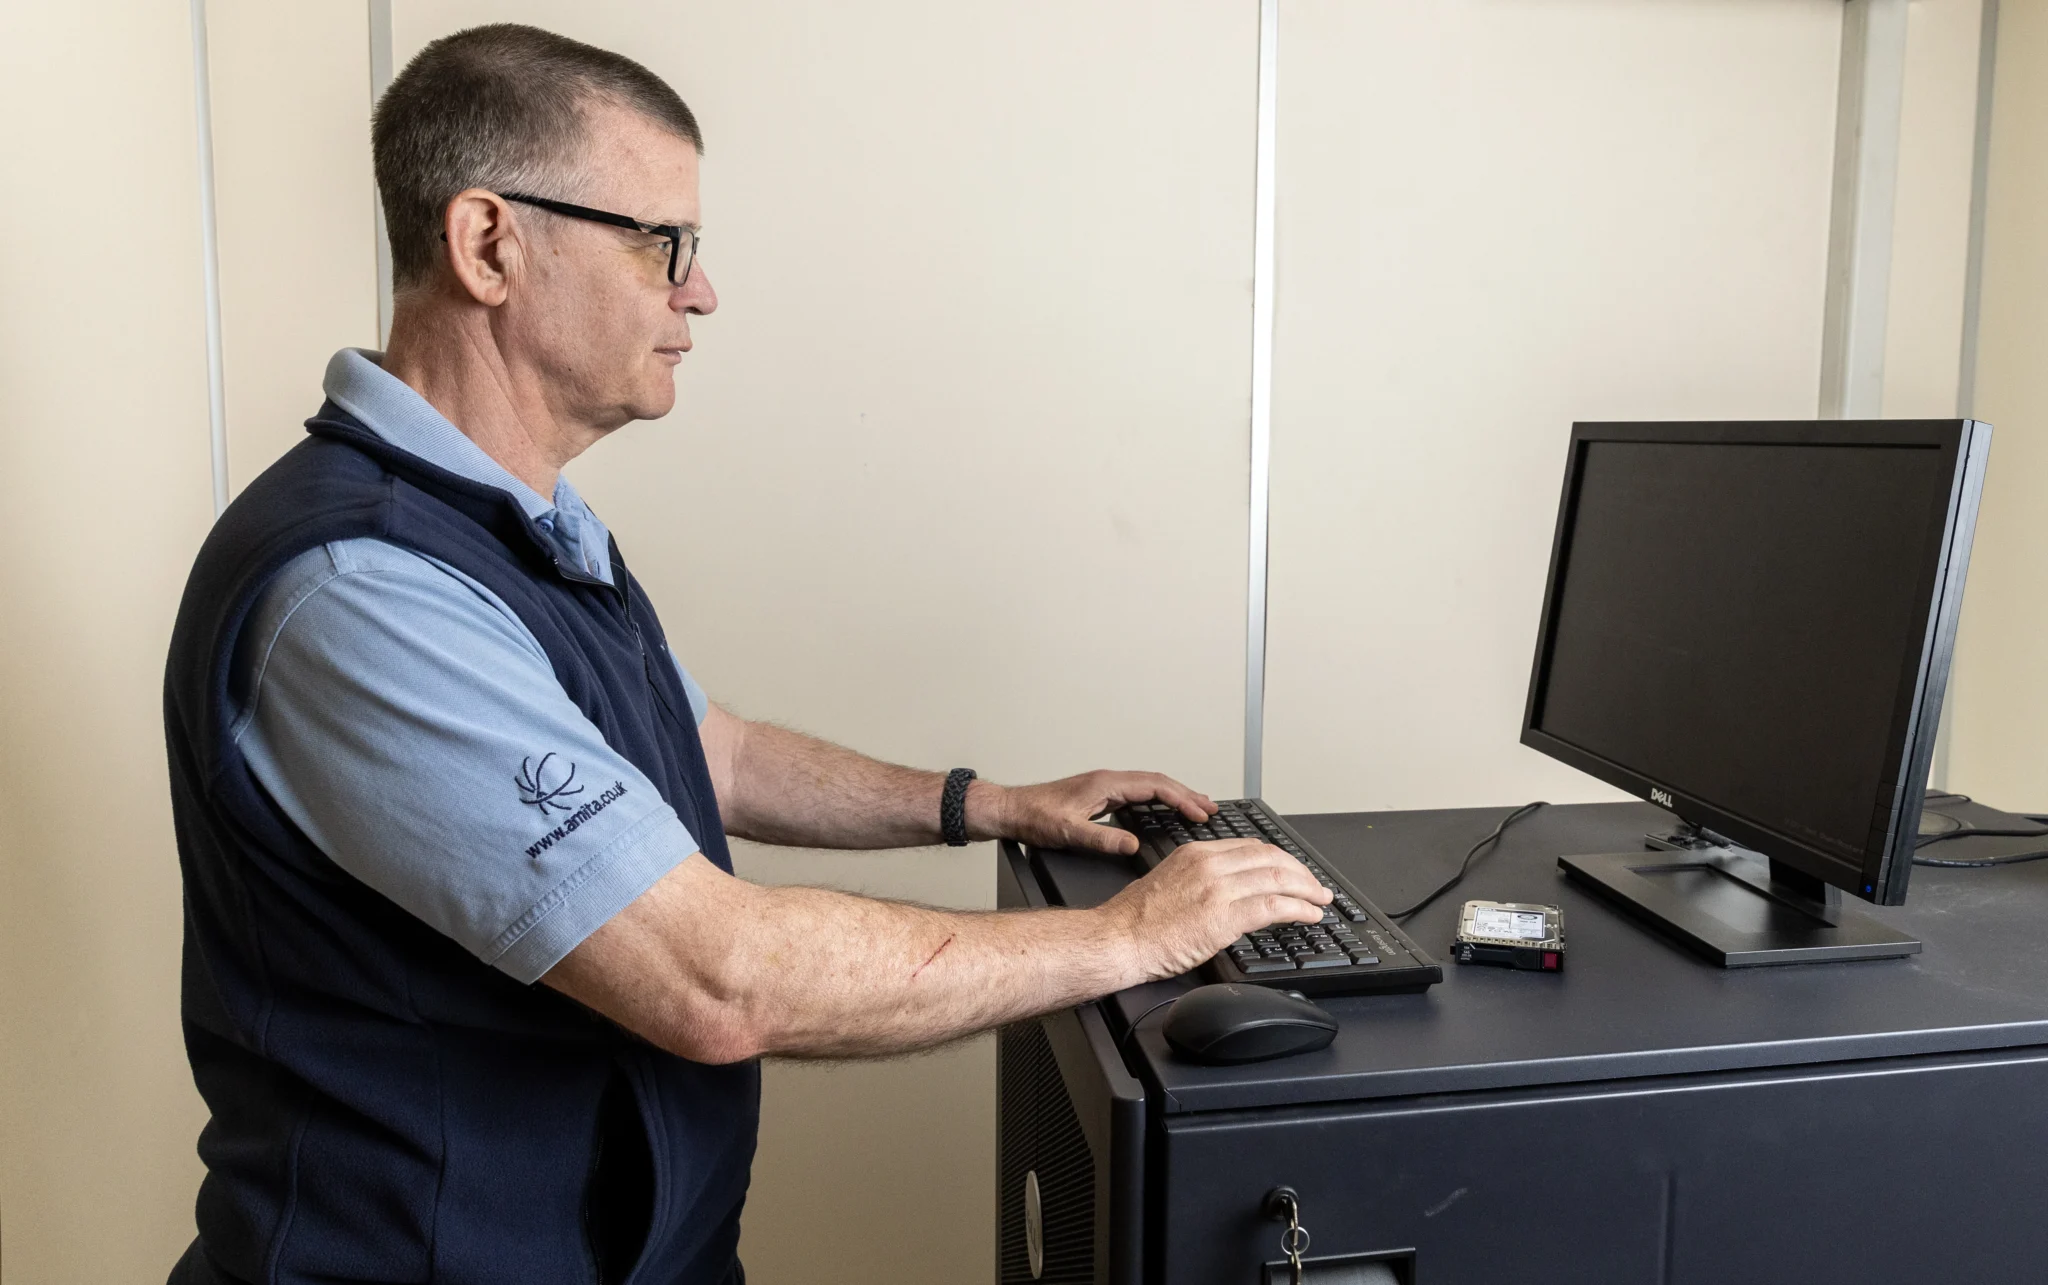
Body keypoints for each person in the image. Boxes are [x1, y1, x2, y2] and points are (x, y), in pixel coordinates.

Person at [162, 23, 1327, 1285]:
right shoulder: (362, 591)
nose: (698, 291)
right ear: (488, 244)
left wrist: (982, 806)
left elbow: (697, 746)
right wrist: (1131, 940)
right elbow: (716, 980)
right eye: (659, 242)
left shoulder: (519, 518)